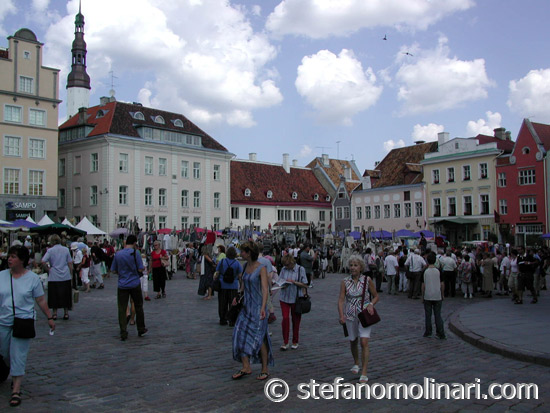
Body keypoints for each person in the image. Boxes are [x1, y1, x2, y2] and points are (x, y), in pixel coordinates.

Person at [0, 245, 56, 407]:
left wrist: (49, 317)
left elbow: (40, 300)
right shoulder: (2, 276)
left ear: (22, 260)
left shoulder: (32, 278)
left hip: (23, 321)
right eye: (9, 256)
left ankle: (16, 389)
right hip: (3, 321)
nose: (9, 259)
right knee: (4, 353)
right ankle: (8, 368)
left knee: (18, 355)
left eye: (14, 256)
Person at [231, 241, 273, 381]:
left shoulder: (261, 268)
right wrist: (238, 295)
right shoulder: (245, 266)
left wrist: (263, 307)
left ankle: (264, 369)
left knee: (259, 338)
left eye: (242, 251)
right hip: (246, 307)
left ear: (249, 253)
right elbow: (243, 285)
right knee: (239, 335)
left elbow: (265, 289)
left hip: (257, 308)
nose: (240, 253)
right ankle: (246, 366)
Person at [338, 254, 379, 383]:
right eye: (351, 265)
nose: (353, 268)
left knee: (364, 342)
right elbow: (341, 300)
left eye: (355, 265)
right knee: (353, 340)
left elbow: (376, 296)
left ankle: (364, 371)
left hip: (364, 314)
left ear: (361, 267)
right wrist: (341, 315)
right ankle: (356, 362)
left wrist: (371, 304)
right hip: (350, 314)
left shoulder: (367, 280)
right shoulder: (345, 282)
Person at [111, 235, 147, 341]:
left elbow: (113, 270)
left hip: (122, 284)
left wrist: (121, 273)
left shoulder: (118, 254)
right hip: (134, 283)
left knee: (122, 308)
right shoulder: (136, 253)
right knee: (138, 306)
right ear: (135, 243)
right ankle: (141, 328)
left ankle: (123, 331)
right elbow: (140, 269)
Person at [277, 254, 308, 350]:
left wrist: (294, 282)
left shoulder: (300, 269)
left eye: (288, 265)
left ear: (292, 263)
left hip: (296, 298)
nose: (287, 267)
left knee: (296, 320)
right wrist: (283, 283)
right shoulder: (283, 269)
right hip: (284, 297)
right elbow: (280, 280)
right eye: (285, 265)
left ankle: (295, 341)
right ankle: (285, 342)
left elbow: (305, 284)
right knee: (285, 318)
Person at [41, 235, 73, 320]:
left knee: (54, 295)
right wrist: (71, 273)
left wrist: (48, 269)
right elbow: (70, 262)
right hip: (65, 275)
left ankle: (54, 313)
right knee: (65, 295)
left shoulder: (50, 250)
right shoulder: (66, 249)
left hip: (54, 275)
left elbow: (43, 261)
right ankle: (66, 312)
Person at [214, 246, 242, 326]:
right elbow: (240, 275)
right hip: (233, 285)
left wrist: (215, 279)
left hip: (223, 285)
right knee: (233, 304)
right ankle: (232, 320)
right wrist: (241, 285)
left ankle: (223, 319)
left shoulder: (222, 261)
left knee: (222, 303)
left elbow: (217, 272)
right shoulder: (237, 263)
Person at [422, 252, 446, 339]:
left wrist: (422, 296)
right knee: (438, 315)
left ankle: (428, 331)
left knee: (428, 315)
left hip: (428, 295)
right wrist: (442, 294)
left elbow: (423, 285)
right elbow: (442, 284)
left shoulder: (425, 271)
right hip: (437, 295)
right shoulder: (438, 271)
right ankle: (440, 332)